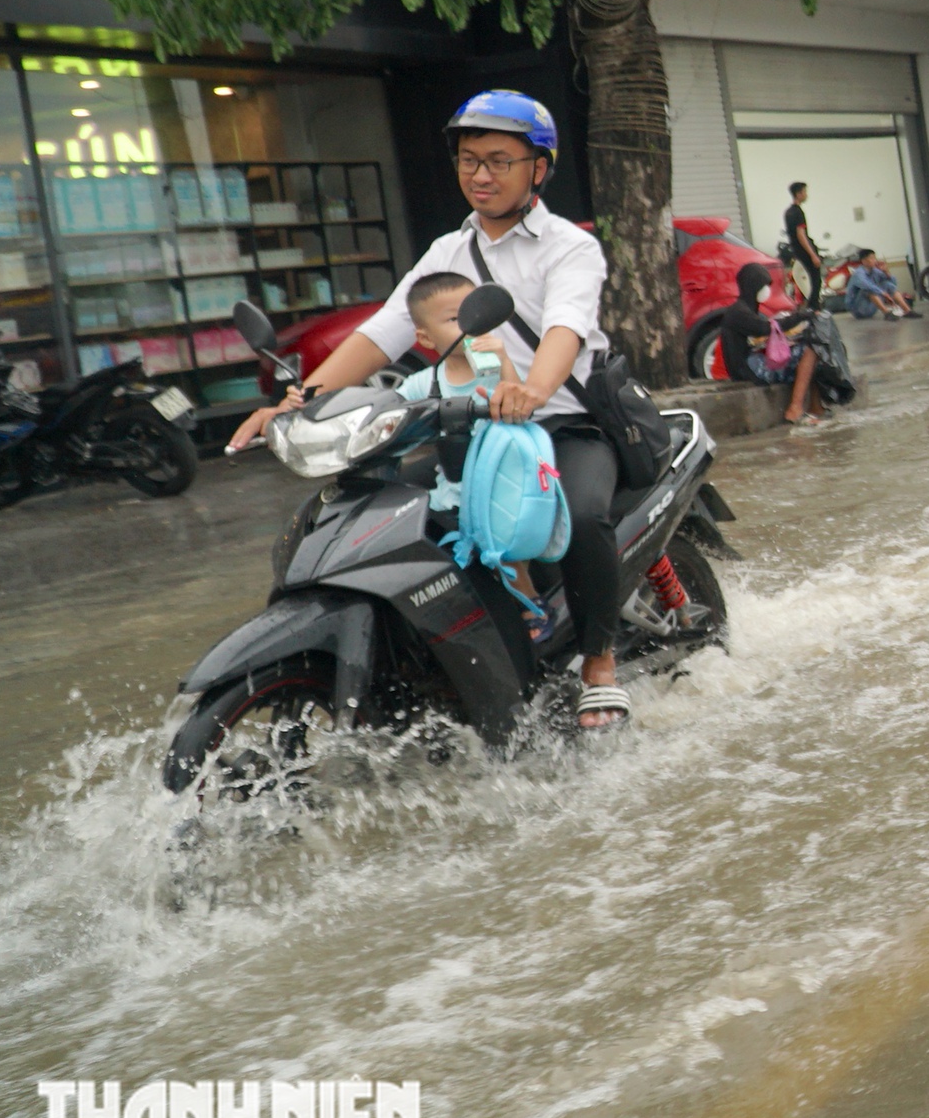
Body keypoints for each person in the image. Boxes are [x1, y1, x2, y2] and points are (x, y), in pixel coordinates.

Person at [229, 91, 635, 731]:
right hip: (471, 426)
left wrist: (531, 389)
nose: (481, 175)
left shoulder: (569, 247)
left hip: (559, 423)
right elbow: (384, 331)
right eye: (470, 160)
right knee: (387, 511)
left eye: (500, 160)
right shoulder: (448, 250)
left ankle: (598, 664)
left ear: (539, 167)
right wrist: (294, 402)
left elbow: (566, 327)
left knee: (582, 515)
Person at [392, 271, 550, 636]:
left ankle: (531, 603)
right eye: (454, 320)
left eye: (473, 316)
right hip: (453, 481)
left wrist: (503, 359)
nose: (468, 327)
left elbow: (519, 402)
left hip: (501, 482)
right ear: (426, 337)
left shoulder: (493, 371)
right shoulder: (424, 382)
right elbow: (392, 411)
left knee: (503, 551)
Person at [716, 261, 835, 424]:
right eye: (764, 286)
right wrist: (801, 316)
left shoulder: (746, 308)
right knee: (811, 350)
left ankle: (815, 407)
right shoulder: (738, 312)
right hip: (747, 369)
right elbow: (765, 329)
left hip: (751, 361)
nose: (767, 290)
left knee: (814, 355)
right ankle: (795, 409)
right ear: (753, 286)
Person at [843, 249, 915, 319]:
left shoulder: (875, 271)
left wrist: (886, 272)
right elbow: (867, 285)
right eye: (872, 258)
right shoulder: (858, 273)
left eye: (875, 258)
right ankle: (887, 313)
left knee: (887, 284)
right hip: (858, 309)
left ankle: (907, 311)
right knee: (868, 290)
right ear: (864, 261)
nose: (875, 260)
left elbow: (893, 285)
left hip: (870, 308)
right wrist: (883, 293)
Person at [784, 182, 824, 305]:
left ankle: (813, 307)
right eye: (805, 192)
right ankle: (814, 308)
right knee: (816, 281)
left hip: (796, 250)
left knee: (812, 280)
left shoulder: (788, 212)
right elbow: (801, 235)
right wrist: (813, 255)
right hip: (804, 250)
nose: (806, 195)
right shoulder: (798, 212)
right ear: (798, 194)